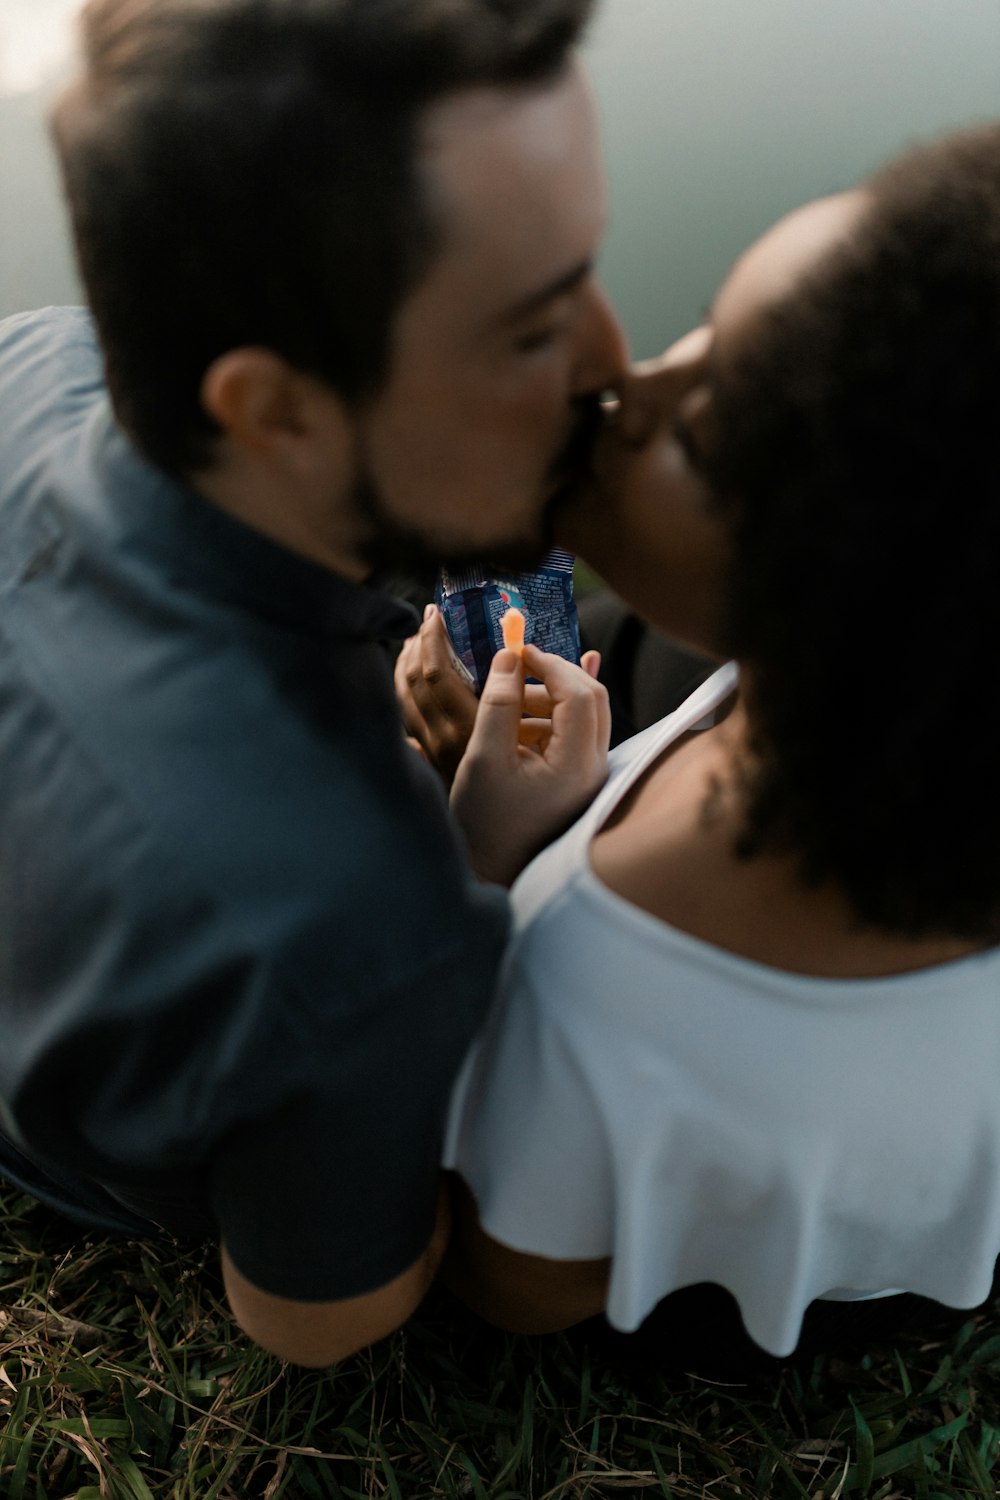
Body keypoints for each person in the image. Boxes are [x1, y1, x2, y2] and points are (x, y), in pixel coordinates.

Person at [0, 0, 624, 1368]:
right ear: (271, 407)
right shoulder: (353, 924)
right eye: (528, 335)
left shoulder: (35, 354)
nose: (616, 365)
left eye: (588, 271)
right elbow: (322, 1326)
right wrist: (484, 855)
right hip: (103, 1119)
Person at [399, 121, 1000, 1370]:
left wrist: (490, 850)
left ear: (851, 598)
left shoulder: (601, 987)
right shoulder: (933, 698)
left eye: (704, 430)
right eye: (705, 337)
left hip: (701, 1294)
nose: (635, 389)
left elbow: (511, 1291)